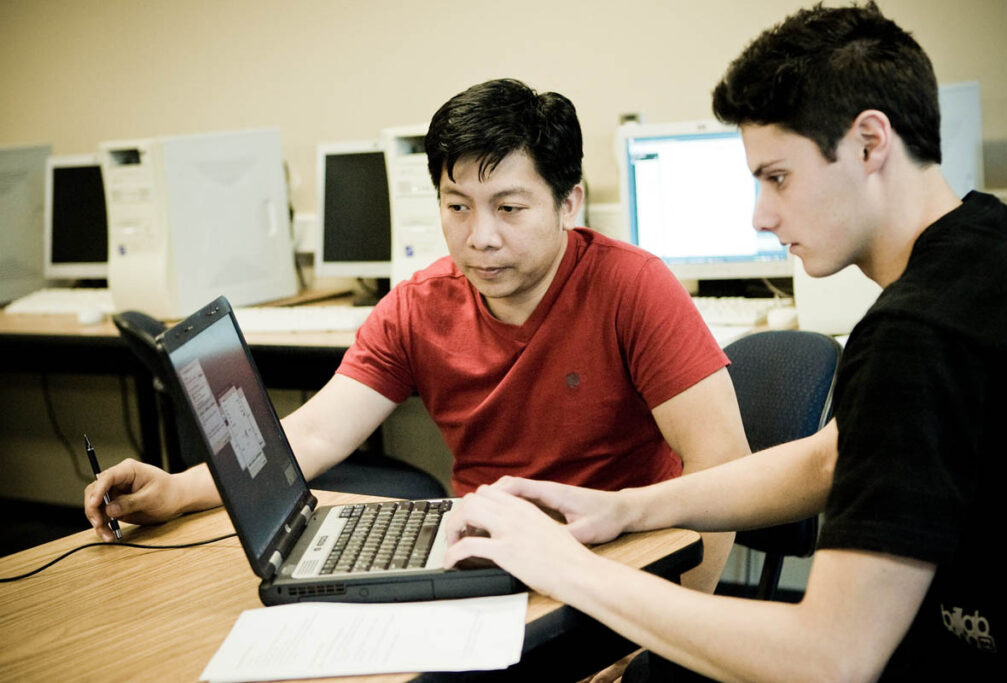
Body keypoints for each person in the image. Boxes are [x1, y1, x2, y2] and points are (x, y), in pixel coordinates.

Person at [443, 4, 1007, 680]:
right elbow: (833, 460)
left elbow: (828, 657)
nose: (762, 214)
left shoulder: (918, 334)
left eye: (778, 177)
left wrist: (562, 566)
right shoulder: (992, 248)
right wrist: (628, 506)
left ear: (869, 143)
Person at [84, 78, 748, 592]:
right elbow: (315, 434)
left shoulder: (632, 287)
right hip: (487, 559)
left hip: (620, 560)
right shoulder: (418, 306)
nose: (479, 237)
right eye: (456, 207)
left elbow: (721, 467)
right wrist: (177, 488)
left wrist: (663, 640)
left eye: (509, 208)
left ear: (569, 202)